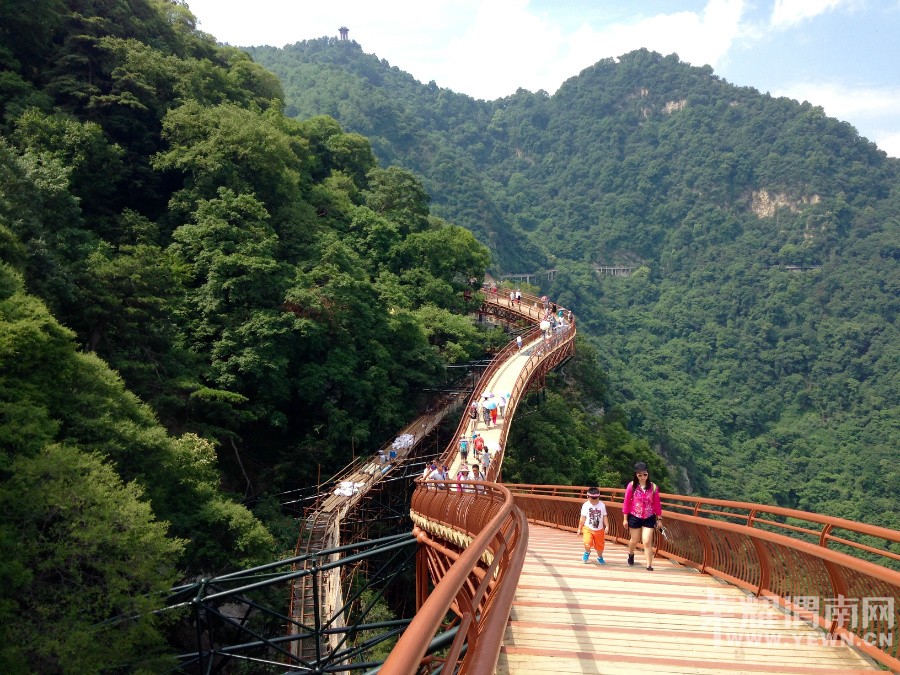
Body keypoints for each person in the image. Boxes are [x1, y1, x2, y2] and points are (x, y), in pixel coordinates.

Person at [621, 461, 663, 571]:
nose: (643, 477)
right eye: (640, 475)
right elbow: (626, 502)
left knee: (647, 541)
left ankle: (649, 565)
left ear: (648, 474)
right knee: (634, 540)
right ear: (636, 475)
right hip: (634, 516)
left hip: (649, 517)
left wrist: (659, 519)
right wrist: (625, 519)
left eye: (645, 474)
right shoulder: (632, 486)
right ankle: (631, 554)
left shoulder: (653, 487)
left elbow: (657, 504)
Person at [578, 487, 608, 564]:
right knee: (587, 542)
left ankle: (599, 557)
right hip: (588, 528)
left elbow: (604, 516)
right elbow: (582, 518)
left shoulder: (602, 505)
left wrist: (607, 526)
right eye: (592, 500)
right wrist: (579, 528)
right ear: (587, 497)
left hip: (599, 529)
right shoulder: (586, 505)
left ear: (599, 497)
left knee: (600, 546)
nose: (594, 502)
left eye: (596, 499)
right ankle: (587, 552)